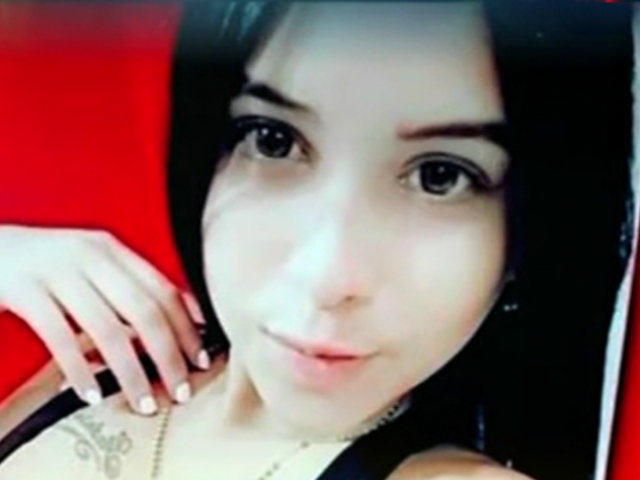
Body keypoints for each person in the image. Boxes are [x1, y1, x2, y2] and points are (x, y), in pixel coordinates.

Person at [0, 1, 633, 479]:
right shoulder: (101, 366)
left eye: (440, 176)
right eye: (273, 140)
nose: (326, 277)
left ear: (525, 234)